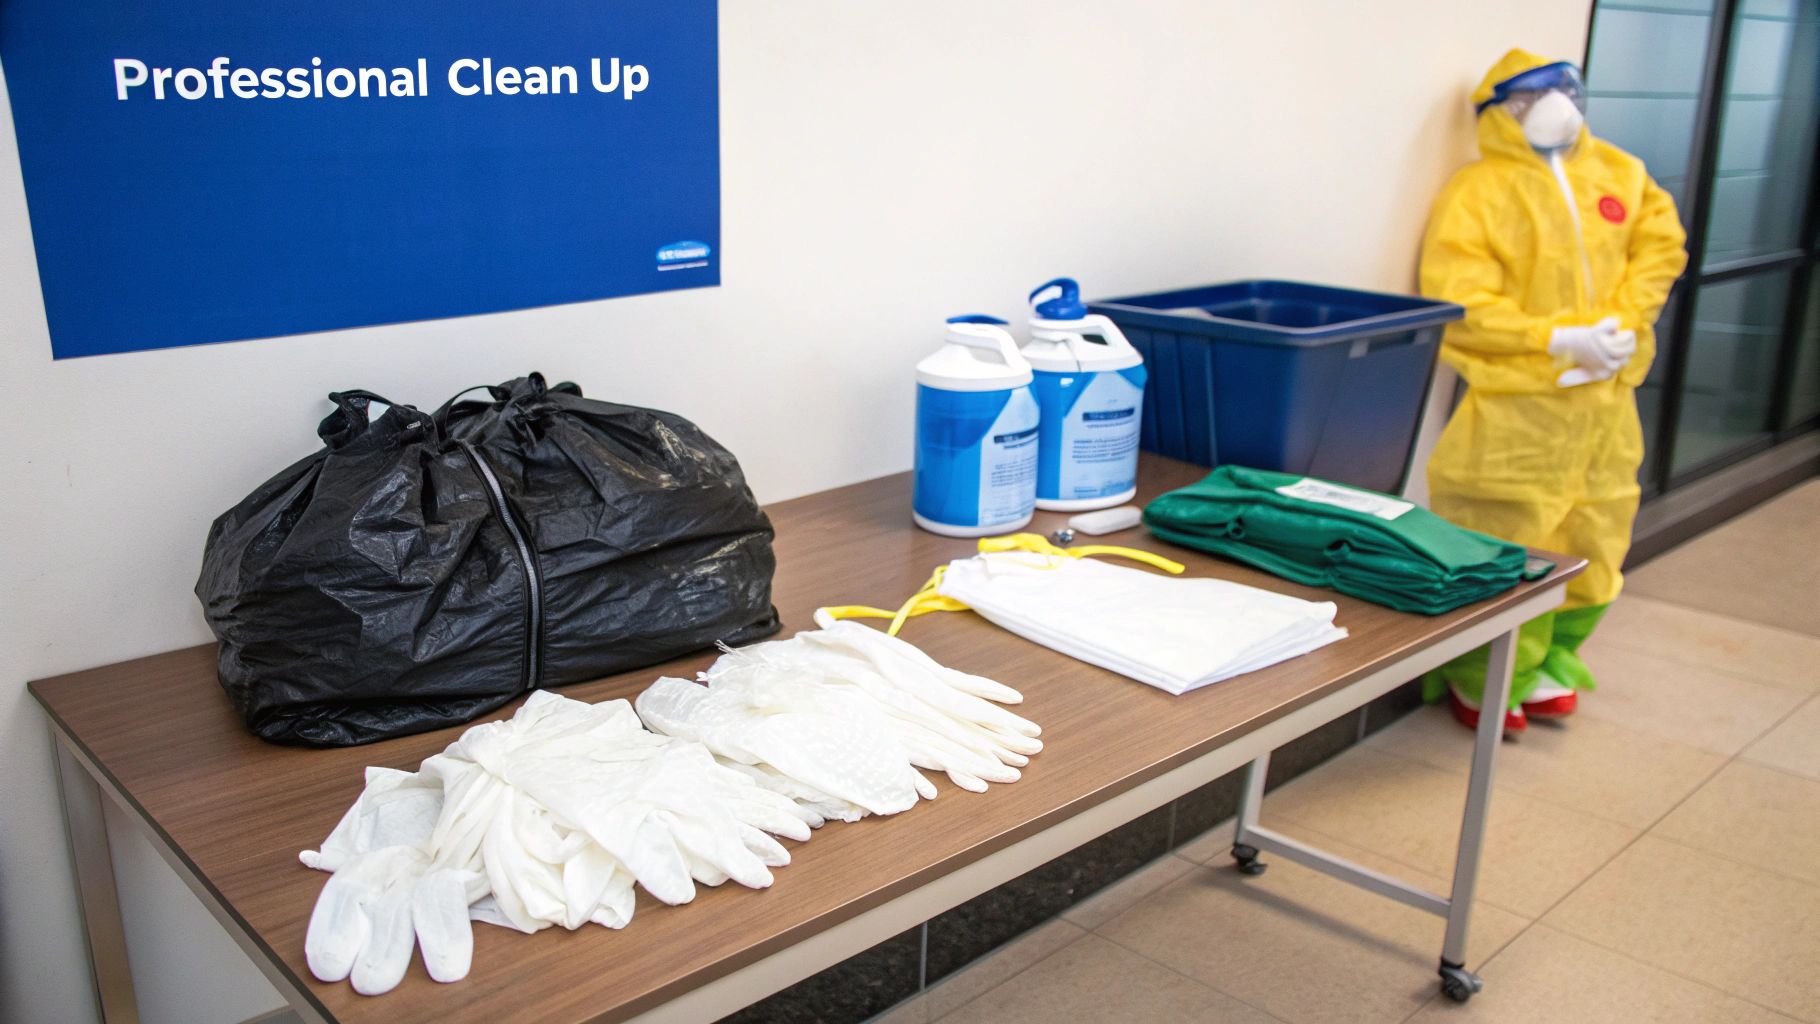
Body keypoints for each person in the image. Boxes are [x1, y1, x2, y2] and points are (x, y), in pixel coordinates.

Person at [1419, 49, 1688, 733]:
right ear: (1497, 111)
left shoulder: (1621, 174)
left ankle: (1546, 663)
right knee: (1503, 537)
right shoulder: (1479, 191)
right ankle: (1482, 678)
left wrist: (1622, 327)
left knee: (1597, 536)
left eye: (1564, 86)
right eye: (1531, 93)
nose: (1555, 100)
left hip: (1605, 405)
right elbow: (1457, 296)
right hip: (1517, 410)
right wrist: (1558, 337)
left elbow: (1661, 248)